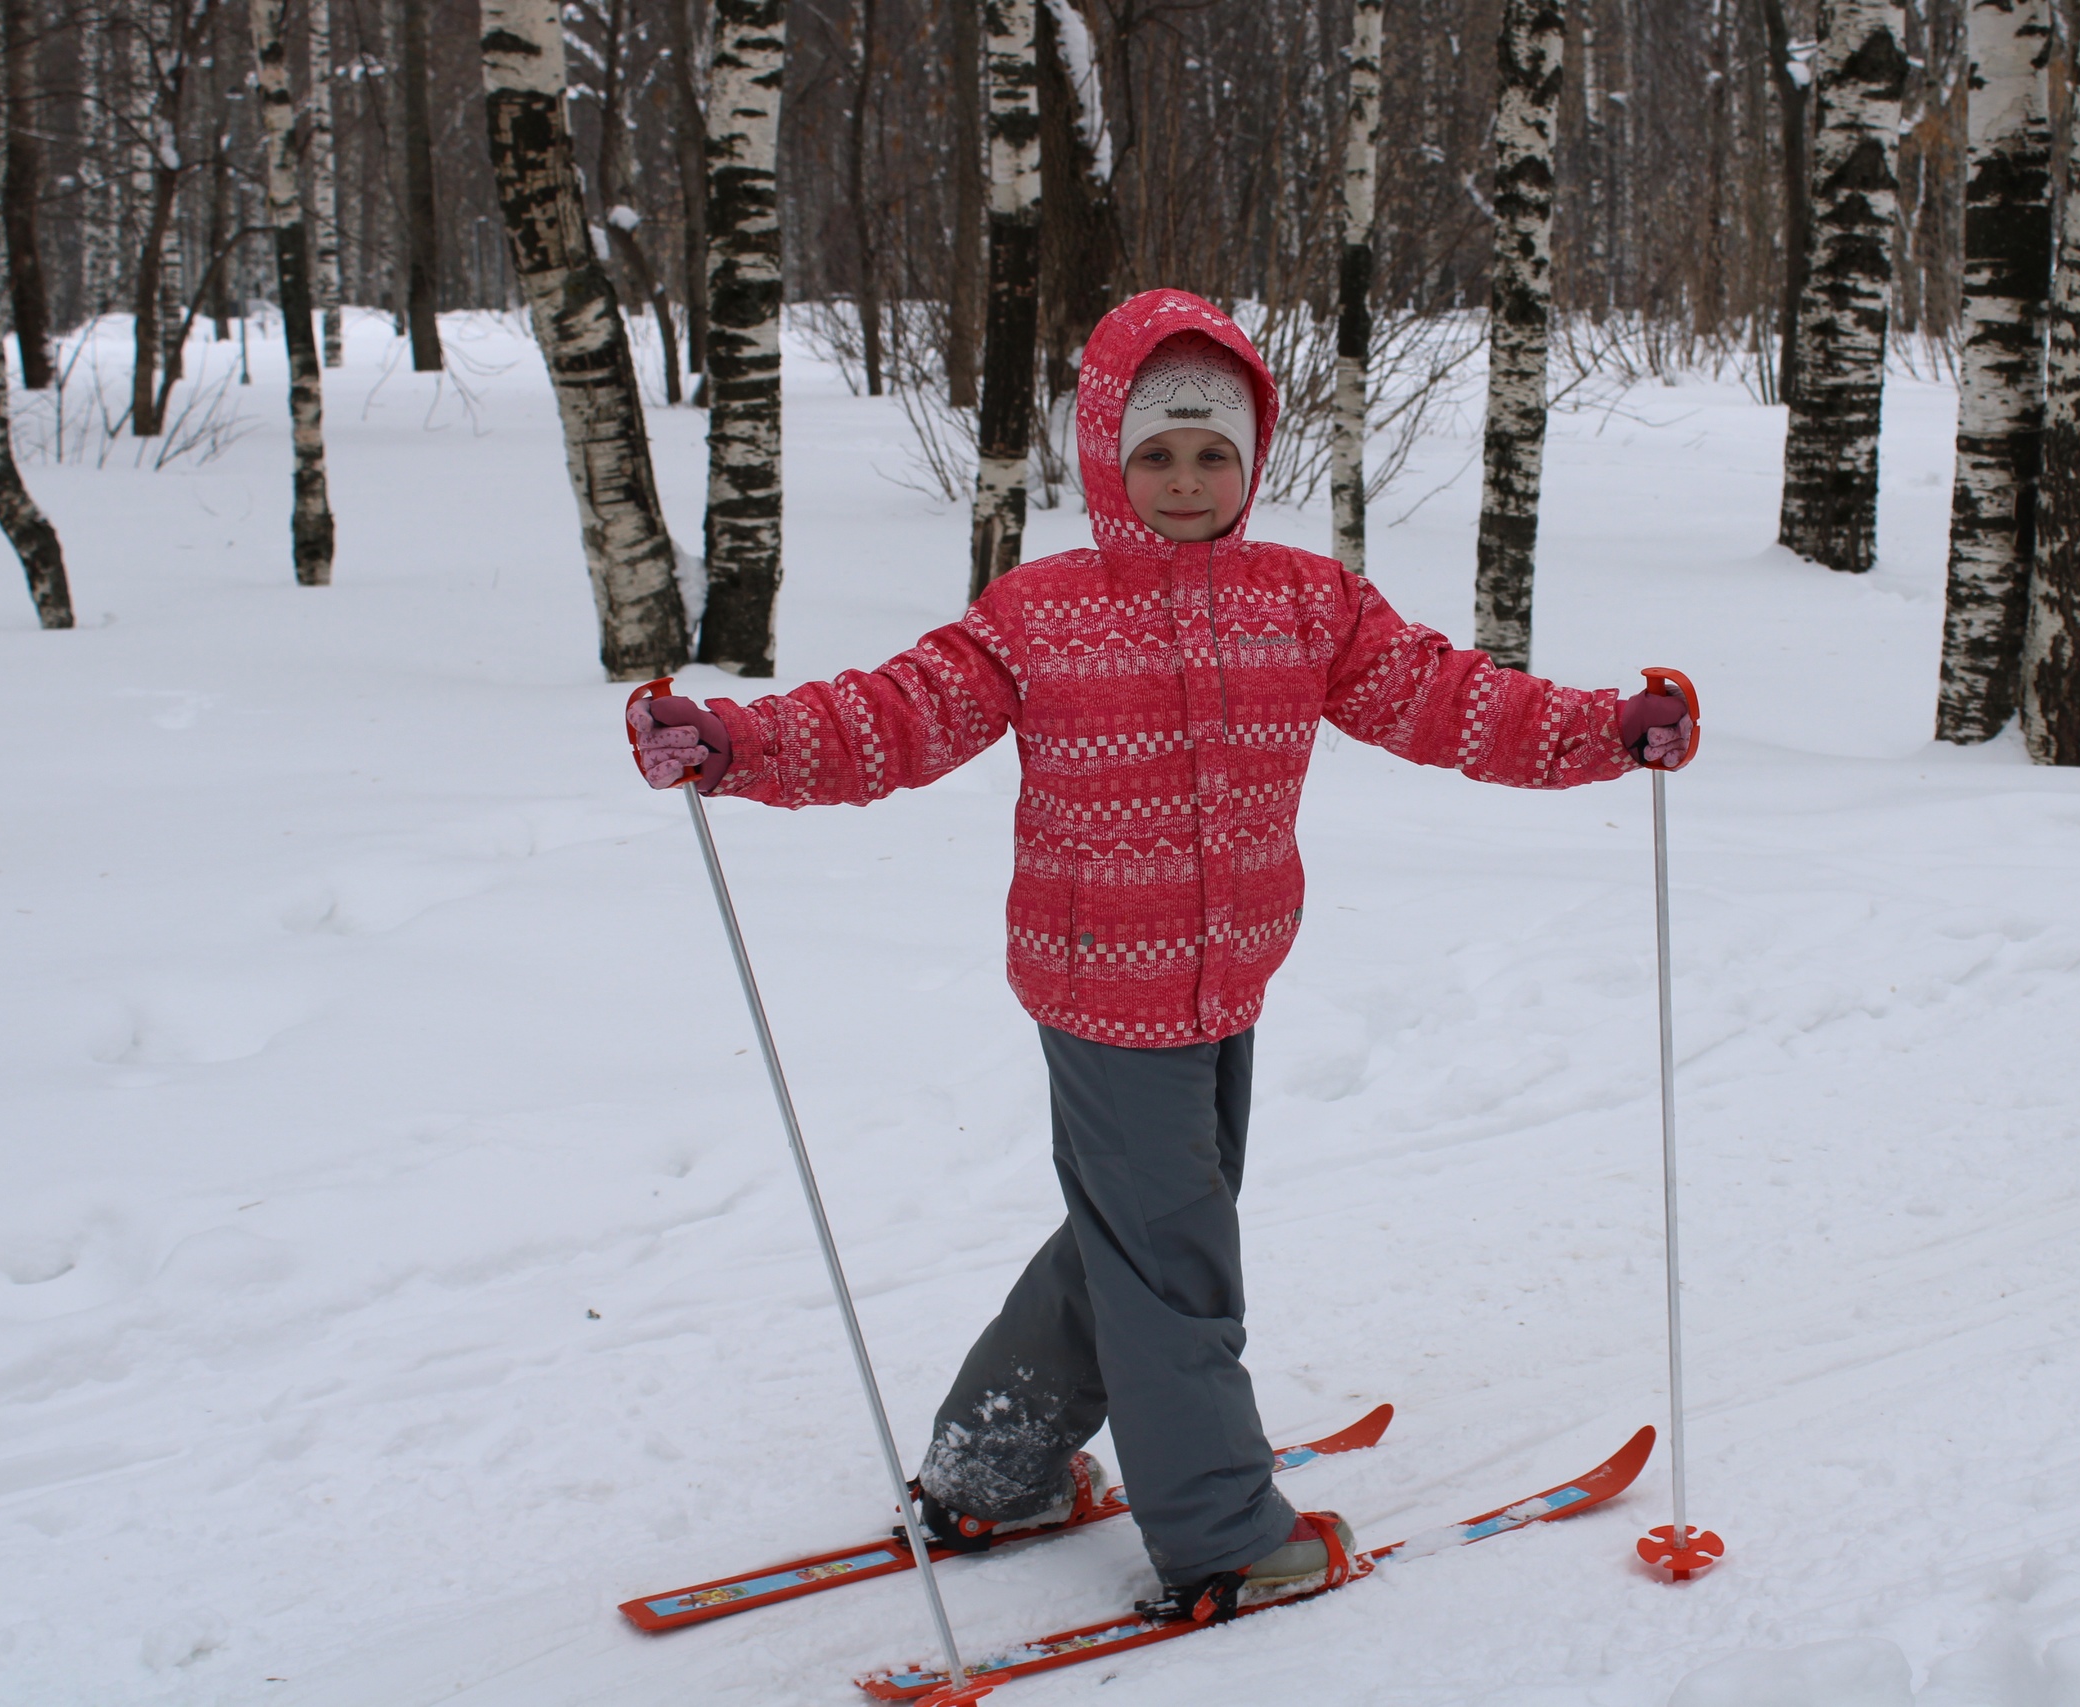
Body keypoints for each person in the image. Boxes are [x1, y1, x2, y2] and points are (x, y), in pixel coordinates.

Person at [627, 288, 1694, 1622]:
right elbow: (894, 715)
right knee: (1176, 1263)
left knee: (1132, 1239)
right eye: (1155, 454)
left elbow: (1448, 699)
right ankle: (1218, 1531)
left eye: (1213, 455)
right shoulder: (1040, 614)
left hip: (1226, 973)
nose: (1185, 481)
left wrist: (1608, 730)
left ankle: (995, 1468)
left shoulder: (1305, 603)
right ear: (1104, 461)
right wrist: (740, 746)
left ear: (1252, 464)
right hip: (1098, 986)